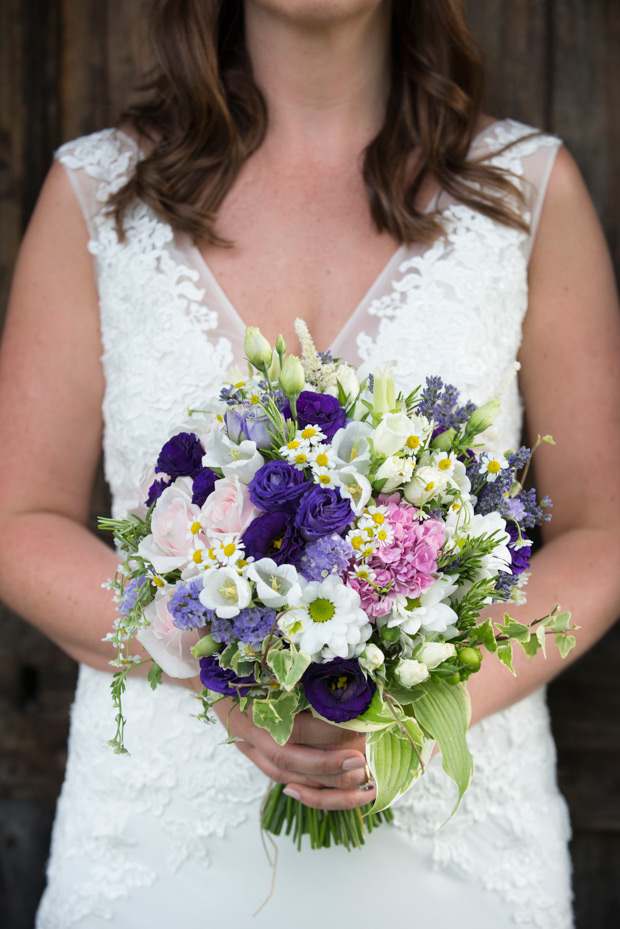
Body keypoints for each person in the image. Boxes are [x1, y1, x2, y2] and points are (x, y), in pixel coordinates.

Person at [1, 0, 619, 926]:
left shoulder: (526, 189)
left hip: (454, 860)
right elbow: (18, 521)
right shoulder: (97, 193)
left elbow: (602, 532)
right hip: (158, 853)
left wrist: (411, 711)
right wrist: (218, 661)